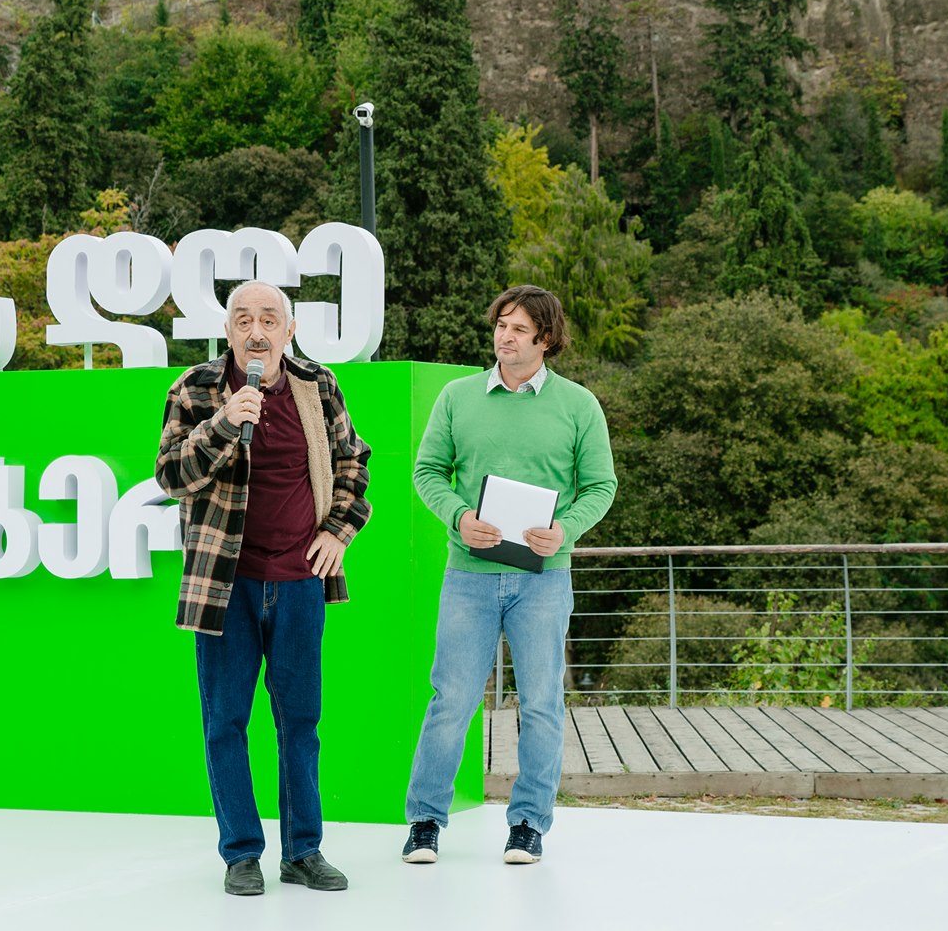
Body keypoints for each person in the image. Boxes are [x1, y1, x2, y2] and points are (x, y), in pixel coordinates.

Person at [156, 280, 372, 897]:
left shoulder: (318, 385)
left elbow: (354, 462)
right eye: (244, 319)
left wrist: (339, 530)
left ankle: (303, 851)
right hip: (225, 585)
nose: (257, 331)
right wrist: (224, 424)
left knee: (300, 721)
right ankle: (241, 853)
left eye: (269, 319)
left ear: (289, 330)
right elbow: (171, 476)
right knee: (226, 721)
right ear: (228, 331)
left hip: (301, 581)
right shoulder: (195, 389)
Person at [401, 285, 617, 867]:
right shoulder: (457, 397)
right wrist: (459, 517)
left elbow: (601, 486)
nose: (505, 336)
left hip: (543, 580)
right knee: (451, 700)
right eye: (501, 325)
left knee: (542, 703)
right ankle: (424, 821)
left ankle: (527, 825)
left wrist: (565, 529)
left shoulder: (579, 405)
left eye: (519, 329)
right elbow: (427, 472)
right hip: (468, 576)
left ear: (545, 339)